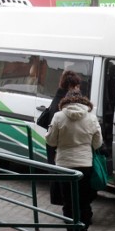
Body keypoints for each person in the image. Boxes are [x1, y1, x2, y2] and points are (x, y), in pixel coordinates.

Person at [45, 92, 102, 231]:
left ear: (65, 103)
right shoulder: (91, 117)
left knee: (68, 201)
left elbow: (51, 141)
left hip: (64, 165)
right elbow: (98, 143)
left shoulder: (58, 116)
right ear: (85, 103)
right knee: (84, 200)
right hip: (85, 164)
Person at [38, 70, 81, 205]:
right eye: (77, 85)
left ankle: (59, 199)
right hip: (59, 141)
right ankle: (62, 201)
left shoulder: (58, 95)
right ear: (71, 85)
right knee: (59, 170)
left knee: (55, 168)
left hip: (53, 140)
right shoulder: (64, 100)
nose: (79, 88)